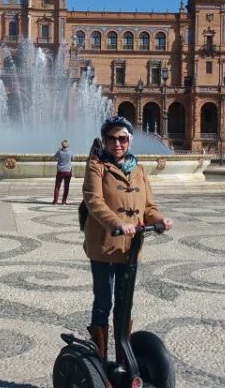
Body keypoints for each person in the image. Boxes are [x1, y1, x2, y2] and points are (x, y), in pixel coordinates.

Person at [82, 116, 173, 365]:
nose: (117, 143)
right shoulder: (96, 166)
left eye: (122, 138)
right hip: (103, 244)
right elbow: (94, 200)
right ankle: (99, 360)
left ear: (129, 140)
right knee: (103, 301)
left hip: (130, 248)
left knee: (125, 303)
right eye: (111, 138)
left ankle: (124, 358)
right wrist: (116, 223)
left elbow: (148, 207)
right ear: (105, 140)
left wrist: (160, 220)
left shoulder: (140, 170)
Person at [53, 139, 74, 204]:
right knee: (66, 187)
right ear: (68, 145)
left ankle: (55, 200)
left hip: (60, 171)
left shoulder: (59, 152)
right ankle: (64, 201)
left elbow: (55, 157)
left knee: (57, 186)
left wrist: (60, 150)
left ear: (62, 145)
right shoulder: (70, 152)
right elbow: (72, 159)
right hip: (68, 171)